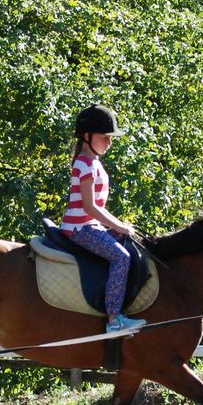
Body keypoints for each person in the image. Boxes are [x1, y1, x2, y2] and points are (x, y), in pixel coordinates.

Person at [61, 104, 147, 335]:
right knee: (121, 257)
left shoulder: (94, 162)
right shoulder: (85, 164)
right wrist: (118, 225)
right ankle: (114, 319)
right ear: (87, 136)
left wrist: (120, 227)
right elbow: (90, 206)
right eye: (105, 136)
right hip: (80, 228)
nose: (109, 142)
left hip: (91, 225)